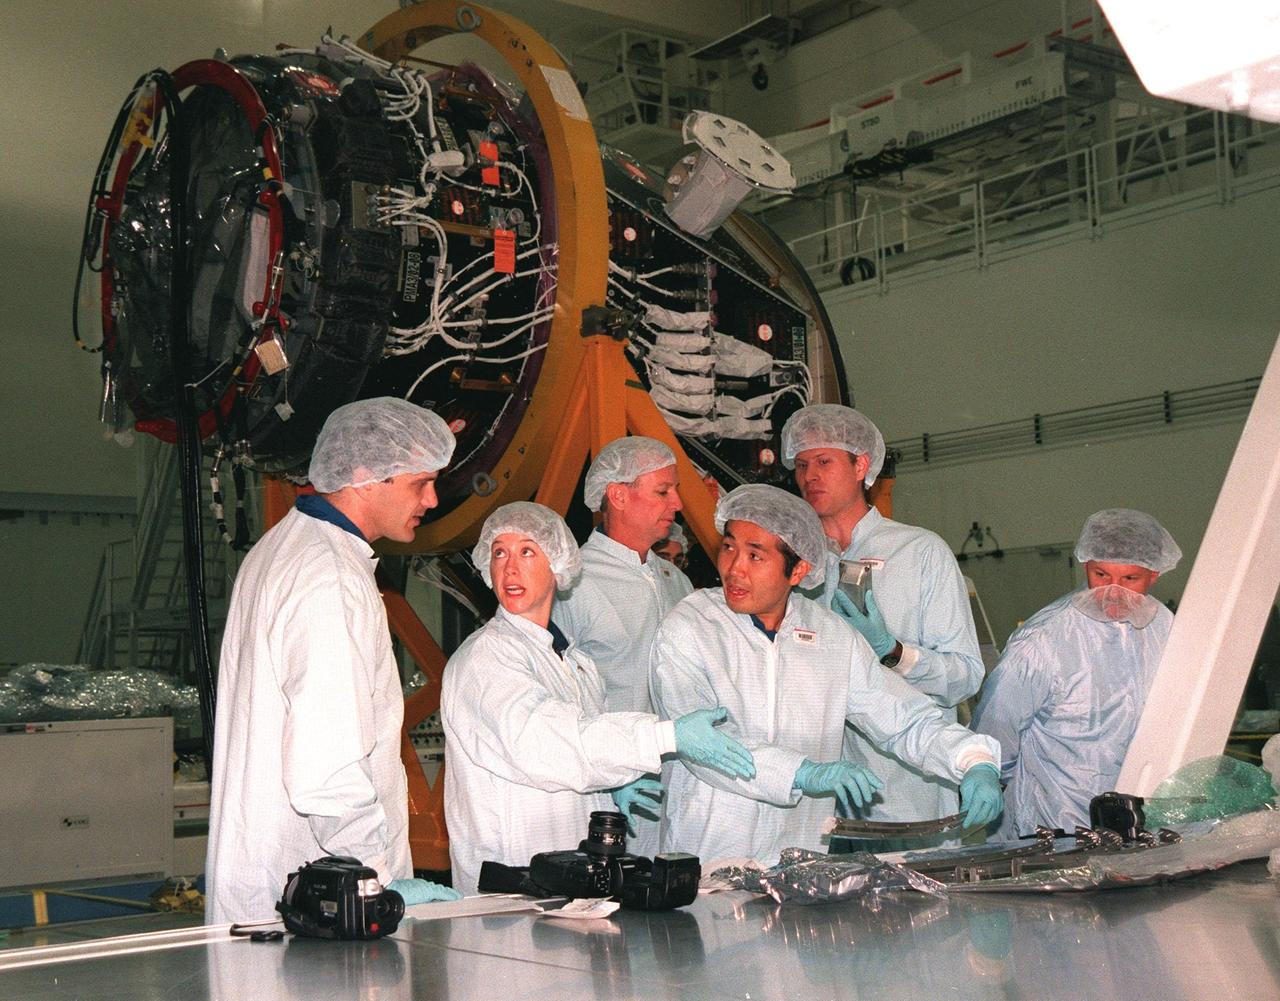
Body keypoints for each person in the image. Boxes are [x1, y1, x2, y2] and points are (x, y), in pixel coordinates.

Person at [650, 484, 1003, 865]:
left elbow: (903, 719)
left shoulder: (830, 636)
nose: (734, 568)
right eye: (729, 547)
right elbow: (705, 745)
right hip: (708, 855)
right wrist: (802, 772)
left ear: (799, 570)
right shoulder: (689, 627)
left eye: (755, 556)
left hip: (798, 858)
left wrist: (973, 760)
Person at [206, 398, 462, 924]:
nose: (433, 499)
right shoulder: (330, 577)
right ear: (368, 477)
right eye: (421, 483)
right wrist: (375, 879)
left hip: (285, 878)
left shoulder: (284, 547)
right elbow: (326, 766)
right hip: (323, 894)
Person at [442, 501, 756, 895]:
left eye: (526, 551)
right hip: (510, 883)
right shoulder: (485, 659)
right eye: (499, 552)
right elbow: (553, 742)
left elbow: (586, 757)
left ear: (558, 565)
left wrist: (609, 790)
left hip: (570, 879)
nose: (509, 568)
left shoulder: (577, 664)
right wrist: (665, 736)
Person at [781, 404, 985, 844]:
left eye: (824, 461)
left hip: (910, 796)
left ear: (861, 465)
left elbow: (965, 676)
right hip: (820, 800)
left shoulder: (920, 552)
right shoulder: (794, 565)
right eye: (801, 465)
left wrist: (893, 653)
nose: (809, 475)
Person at [971, 508, 1181, 840]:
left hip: (1137, 818)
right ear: (1085, 565)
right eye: (1101, 575)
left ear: (1154, 575)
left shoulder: (1164, 628)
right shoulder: (1046, 639)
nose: (1113, 591)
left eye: (1130, 579)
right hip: (1054, 823)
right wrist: (985, 775)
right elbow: (998, 724)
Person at [553, 437, 693, 854]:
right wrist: (608, 775)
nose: (678, 504)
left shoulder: (675, 581)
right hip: (609, 791)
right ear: (618, 495)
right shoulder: (572, 584)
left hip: (676, 786)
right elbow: (558, 698)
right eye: (663, 492)